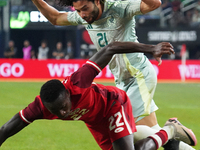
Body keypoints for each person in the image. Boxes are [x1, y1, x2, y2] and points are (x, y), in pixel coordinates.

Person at [31, 0, 196, 149]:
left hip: (138, 75)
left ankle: (171, 130)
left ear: (97, 1)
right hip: (122, 81)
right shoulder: (85, 16)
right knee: (152, 132)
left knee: (128, 134)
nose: (82, 14)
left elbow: (154, 4)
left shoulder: (119, 8)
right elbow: (55, 17)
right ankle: (173, 129)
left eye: (85, 9)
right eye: (79, 10)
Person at [0, 41, 197, 150]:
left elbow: (110, 48)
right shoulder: (41, 107)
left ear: (68, 94)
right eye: (55, 111)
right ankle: (166, 135)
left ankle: (170, 130)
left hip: (114, 104)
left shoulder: (79, 81)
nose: (62, 113)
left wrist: (151, 49)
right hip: (95, 122)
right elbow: (6, 129)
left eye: (64, 107)